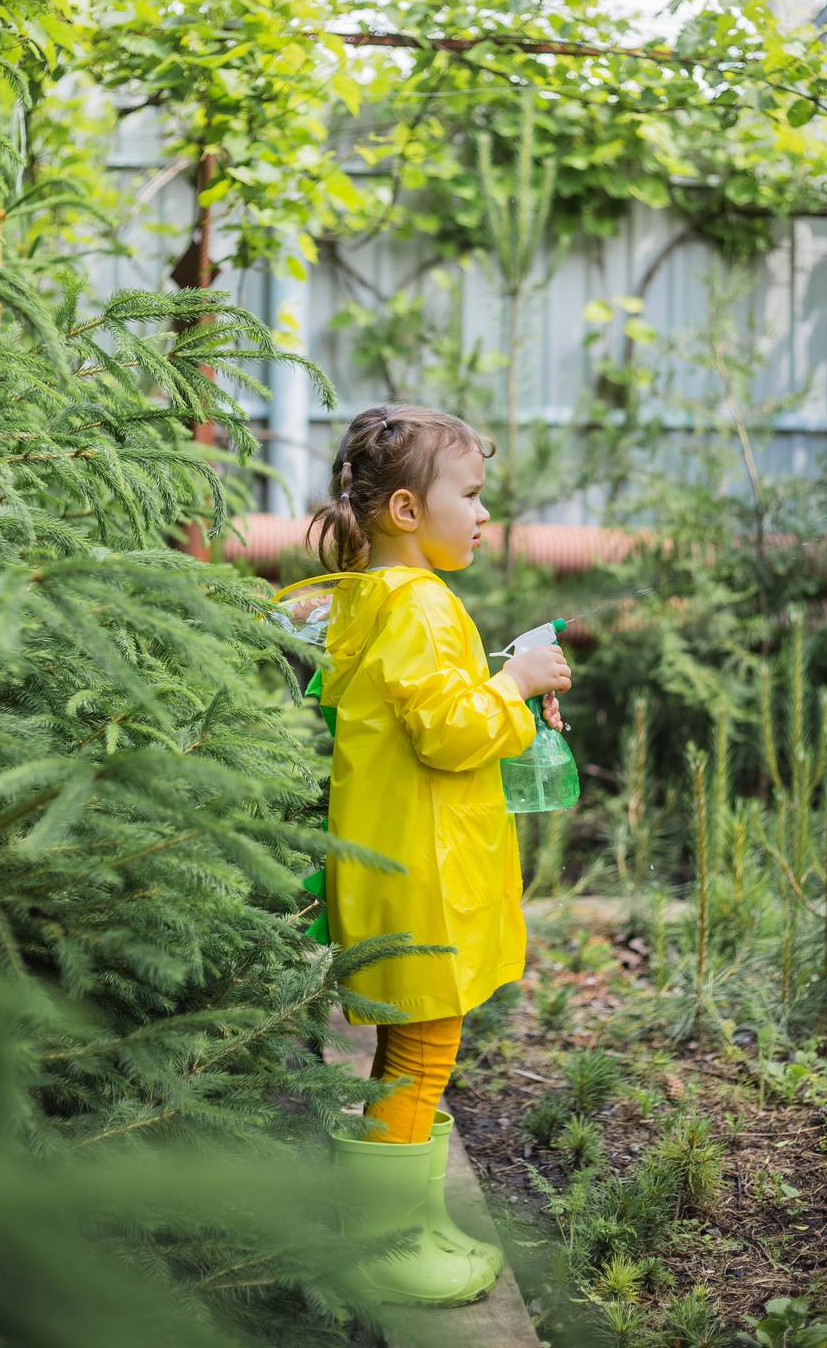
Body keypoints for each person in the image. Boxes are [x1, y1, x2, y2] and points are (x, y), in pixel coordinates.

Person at [303, 404, 572, 1310]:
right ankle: (384, 1240)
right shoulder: (420, 603)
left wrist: (501, 683)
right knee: (422, 1051)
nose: (485, 513)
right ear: (409, 510)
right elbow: (451, 731)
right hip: (422, 878)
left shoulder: (371, 598)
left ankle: (398, 1220)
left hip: (393, 864)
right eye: (472, 494)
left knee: (408, 1049)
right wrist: (516, 684)